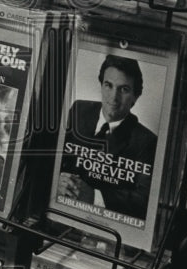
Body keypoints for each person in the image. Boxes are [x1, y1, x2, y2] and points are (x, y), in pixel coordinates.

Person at [58, 55, 158, 221]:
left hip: (105, 228)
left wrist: (94, 197)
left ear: (136, 96)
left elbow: (143, 201)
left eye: (124, 89)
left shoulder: (146, 141)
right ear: (101, 85)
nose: (113, 97)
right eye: (108, 85)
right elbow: (52, 158)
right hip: (61, 214)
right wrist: (57, 178)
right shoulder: (78, 110)